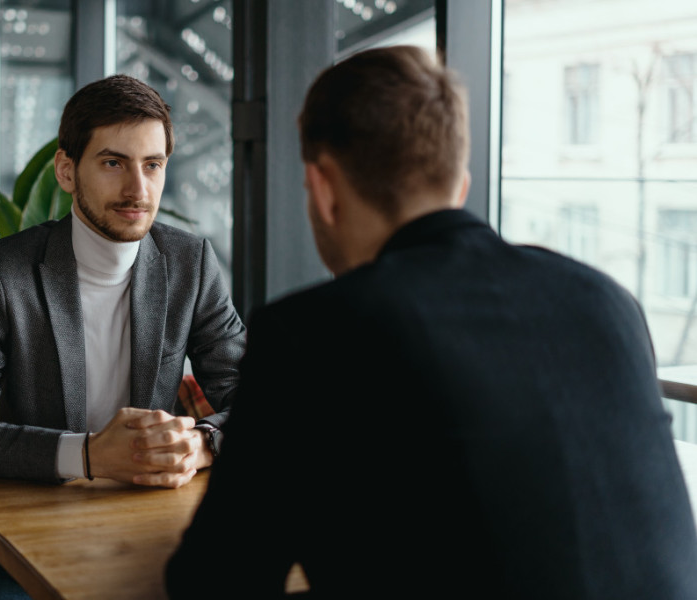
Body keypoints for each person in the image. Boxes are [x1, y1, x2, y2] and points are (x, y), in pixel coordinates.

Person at [166, 46, 697, 599]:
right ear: (460, 185)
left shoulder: (313, 332)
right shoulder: (606, 300)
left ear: (322, 188)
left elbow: (214, 578)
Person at [0, 74, 246, 599]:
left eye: (153, 164)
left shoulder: (192, 265)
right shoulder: (1, 273)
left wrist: (202, 442)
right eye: (113, 162)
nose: (138, 190)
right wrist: (92, 455)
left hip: (147, 525)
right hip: (14, 539)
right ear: (67, 170)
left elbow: (263, 403)